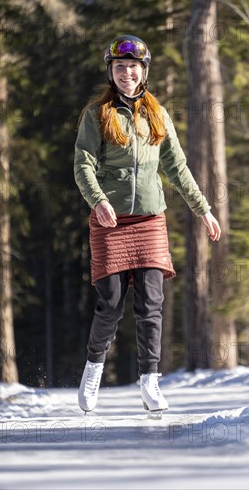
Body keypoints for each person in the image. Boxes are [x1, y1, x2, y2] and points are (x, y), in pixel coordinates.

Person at [74, 35, 221, 414]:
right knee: (110, 304)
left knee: (151, 305)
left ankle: (150, 382)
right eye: (120, 67)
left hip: (151, 219)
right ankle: (93, 372)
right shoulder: (97, 114)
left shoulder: (157, 113)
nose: (127, 73)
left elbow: (177, 166)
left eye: (133, 67)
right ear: (111, 71)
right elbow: (83, 166)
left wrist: (202, 209)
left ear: (144, 72)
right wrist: (99, 201)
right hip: (110, 218)